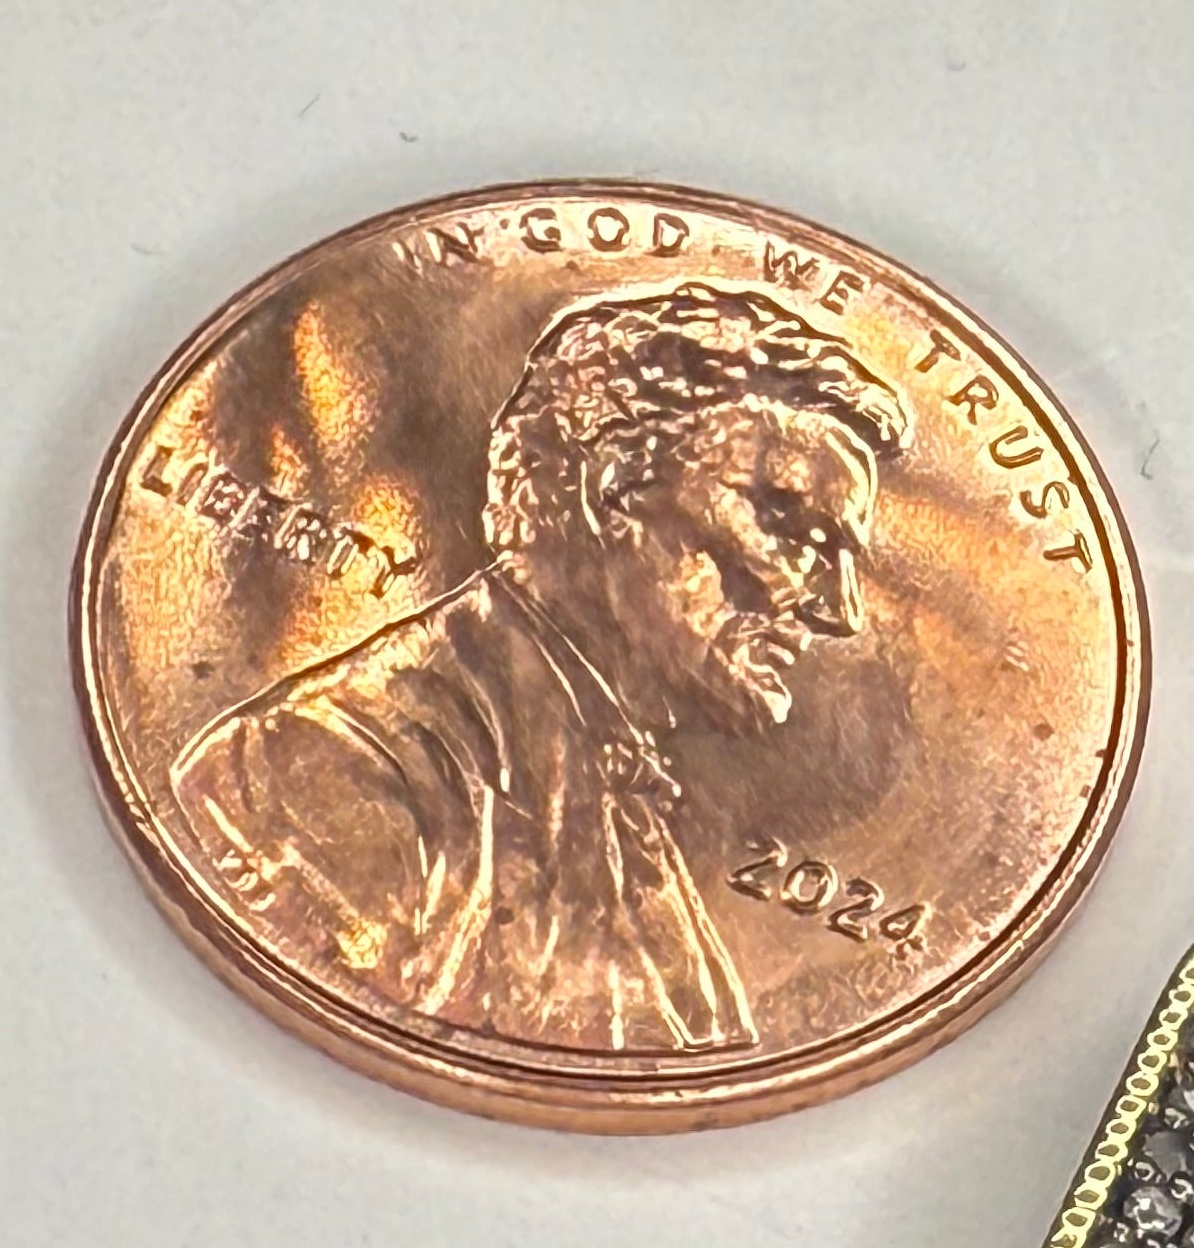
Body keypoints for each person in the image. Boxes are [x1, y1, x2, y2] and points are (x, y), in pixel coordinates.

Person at [174, 285, 907, 1054]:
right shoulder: (310, 773)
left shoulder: (619, 784)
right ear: (609, 486)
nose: (837, 611)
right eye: (791, 527)